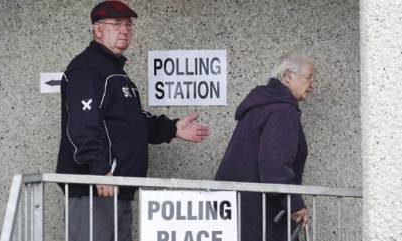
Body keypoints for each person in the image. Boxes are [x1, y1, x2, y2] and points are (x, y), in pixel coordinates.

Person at [56, 1, 210, 241]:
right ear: (98, 30)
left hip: (117, 188)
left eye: (128, 25)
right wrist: (99, 171)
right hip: (96, 188)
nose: (125, 30)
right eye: (116, 24)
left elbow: (132, 121)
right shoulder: (86, 68)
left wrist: (172, 128)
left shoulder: (115, 72)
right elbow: (83, 124)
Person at [215, 49, 314, 241]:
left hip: (237, 211)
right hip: (259, 217)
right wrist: (294, 204)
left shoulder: (263, 105)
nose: (312, 85)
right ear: (288, 76)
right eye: (309, 78)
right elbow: (274, 165)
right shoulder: (282, 111)